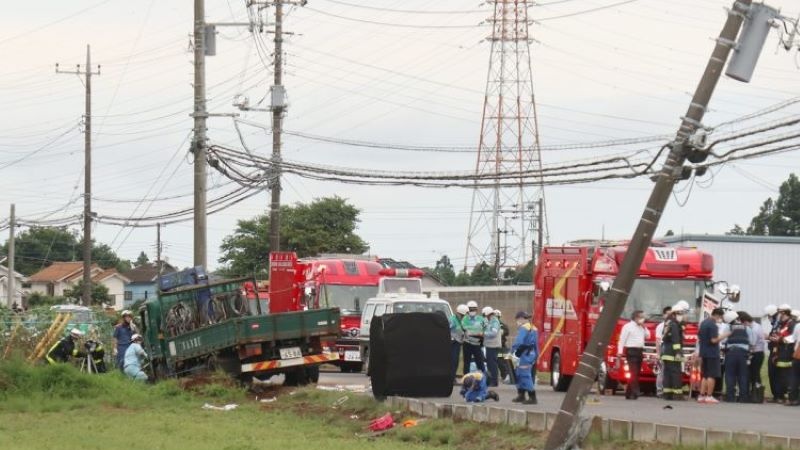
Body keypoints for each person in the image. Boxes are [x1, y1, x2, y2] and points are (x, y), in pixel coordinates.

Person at [697, 308, 729, 404]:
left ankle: (702, 395)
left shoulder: (703, 323)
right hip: (712, 353)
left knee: (705, 375)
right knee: (712, 375)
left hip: (703, 352)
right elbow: (714, 340)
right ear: (717, 315)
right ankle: (709, 396)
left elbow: (699, 336)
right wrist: (725, 335)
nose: (721, 319)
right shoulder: (713, 325)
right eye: (721, 317)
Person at [618, 310, 649, 400]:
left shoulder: (641, 327)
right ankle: (636, 390)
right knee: (633, 372)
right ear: (636, 318)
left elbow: (648, 336)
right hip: (631, 351)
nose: (643, 319)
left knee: (637, 372)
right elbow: (622, 340)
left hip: (640, 351)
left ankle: (629, 393)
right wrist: (620, 352)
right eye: (641, 317)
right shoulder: (627, 327)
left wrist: (644, 327)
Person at [723, 310, 753, 403]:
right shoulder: (746, 328)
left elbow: (723, 341)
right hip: (743, 354)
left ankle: (730, 397)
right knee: (743, 375)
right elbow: (751, 342)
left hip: (731, 353)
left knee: (730, 375)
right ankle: (743, 397)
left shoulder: (728, 327)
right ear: (737, 318)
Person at [661, 303, 688, 401]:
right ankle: (677, 394)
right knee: (676, 373)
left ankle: (667, 394)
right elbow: (676, 339)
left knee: (667, 374)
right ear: (674, 314)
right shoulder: (674, 325)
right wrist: (678, 352)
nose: (681, 315)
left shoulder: (668, 323)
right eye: (679, 313)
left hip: (666, 353)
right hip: (673, 353)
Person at [769, 304, 796, 403]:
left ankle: (788, 396)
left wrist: (779, 339)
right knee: (779, 375)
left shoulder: (791, 324)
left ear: (784, 312)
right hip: (780, 352)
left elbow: (793, 338)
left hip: (787, 353)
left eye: (779, 312)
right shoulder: (782, 324)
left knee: (786, 375)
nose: (778, 315)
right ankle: (780, 396)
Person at [511, 311, 539, 405]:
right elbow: (536, 344)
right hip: (530, 354)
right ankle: (521, 395)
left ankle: (532, 396)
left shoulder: (523, 328)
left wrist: (512, 352)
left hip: (523, 354)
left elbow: (519, 342)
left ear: (521, 319)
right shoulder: (534, 328)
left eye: (518, 320)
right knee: (519, 373)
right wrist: (536, 355)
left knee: (524, 375)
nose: (517, 322)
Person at [745, 311, 766, 402]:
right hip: (755, 352)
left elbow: (753, 343)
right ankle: (753, 392)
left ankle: (757, 394)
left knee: (755, 373)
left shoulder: (755, 328)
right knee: (752, 373)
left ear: (745, 321)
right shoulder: (754, 326)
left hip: (757, 353)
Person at [461, 301, 486, 375]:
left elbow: (485, 329)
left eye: (474, 309)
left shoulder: (481, 319)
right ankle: (466, 378)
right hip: (467, 343)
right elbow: (465, 330)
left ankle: (483, 377)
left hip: (477, 344)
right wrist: (477, 333)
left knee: (480, 362)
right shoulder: (464, 319)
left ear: (477, 309)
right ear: (467, 310)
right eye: (470, 309)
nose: (472, 311)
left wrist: (482, 334)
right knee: (466, 362)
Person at [765, 304, 781, 402]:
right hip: (773, 351)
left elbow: (778, 339)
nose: (768, 318)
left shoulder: (778, 325)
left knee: (775, 374)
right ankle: (776, 395)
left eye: (769, 316)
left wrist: (768, 337)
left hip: (777, 352)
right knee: (772, 374)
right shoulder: (775, 325)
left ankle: (778, 395)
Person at [483, 306, 502, 387]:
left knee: (492, 364)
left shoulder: (494, 322)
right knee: (490, 364)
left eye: (485, 315)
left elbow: (493, 333)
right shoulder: (491, 321)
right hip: (489, 345)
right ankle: (491, 380)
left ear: (488, 314)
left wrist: (483, 334)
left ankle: (494, 381)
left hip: (493, 345)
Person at [655, 306, 671, 398]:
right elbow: (658, 341)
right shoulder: (660, 326)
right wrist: (658, 354)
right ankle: (659, 390)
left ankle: (667, 389)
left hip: (670, 351)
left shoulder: (672, 324)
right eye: (667, 314)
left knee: (668, 371)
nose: (669, 316)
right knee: (662, 371)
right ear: (663, 315)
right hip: (663, 350)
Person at [450, 304, 468, 381]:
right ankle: (451, 378)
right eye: (463, 315)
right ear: (459, 313)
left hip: (458, 343)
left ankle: (453, 377)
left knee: (456, 360)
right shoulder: (452, 320)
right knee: (453, 360)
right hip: (452, 343)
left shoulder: (462, 321)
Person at [495, 309, 512, 383]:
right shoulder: (490, 325)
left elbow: (507, 332)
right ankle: (503, 375)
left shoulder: (502, 325)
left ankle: (506, 376)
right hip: (494, 347)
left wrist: (502, 332)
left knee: (504, 361)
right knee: (499, 362)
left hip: (502, 346)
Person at [787, 315, 800, 407]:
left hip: (798, 354)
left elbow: (794, 338)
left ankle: (793, 399)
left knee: (795, 377)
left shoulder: (798, 326)